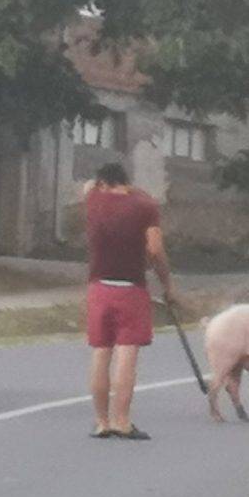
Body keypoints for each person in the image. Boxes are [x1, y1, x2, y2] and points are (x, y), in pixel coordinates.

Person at [84, 162, 178, 441]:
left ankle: (101, 422)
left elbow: (89, 186)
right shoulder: (145, 206)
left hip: (99, 286)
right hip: (131, 288)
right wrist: (167, 284)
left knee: (101, 352)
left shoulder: (93, 200)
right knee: (127, 353)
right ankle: (122, 421)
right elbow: (155, 249)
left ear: (102, 182)